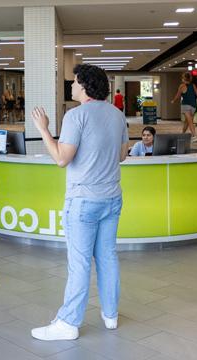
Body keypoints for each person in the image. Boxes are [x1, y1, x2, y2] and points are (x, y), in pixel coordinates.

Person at [30, 64, 128, 341]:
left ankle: (68, 322)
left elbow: (62, 158)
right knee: (107, 257)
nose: (71, 86)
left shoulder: (76, 116)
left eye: (74, 82)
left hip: (84, 201)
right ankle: (110, 315)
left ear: (84, 85)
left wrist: (44, 129)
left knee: (80, 262)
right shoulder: (117, 115)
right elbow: (121, 155)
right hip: (111, 198)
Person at [171, 72, 197, 142]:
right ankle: (182, 134)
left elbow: (178, 95)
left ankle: (194, 136)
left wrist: (173, 100)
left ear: (184, 78)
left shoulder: (182, 86)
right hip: (194, 106)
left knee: (190, 122)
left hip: (186, 106)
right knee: (187, 122)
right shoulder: (193, 85)